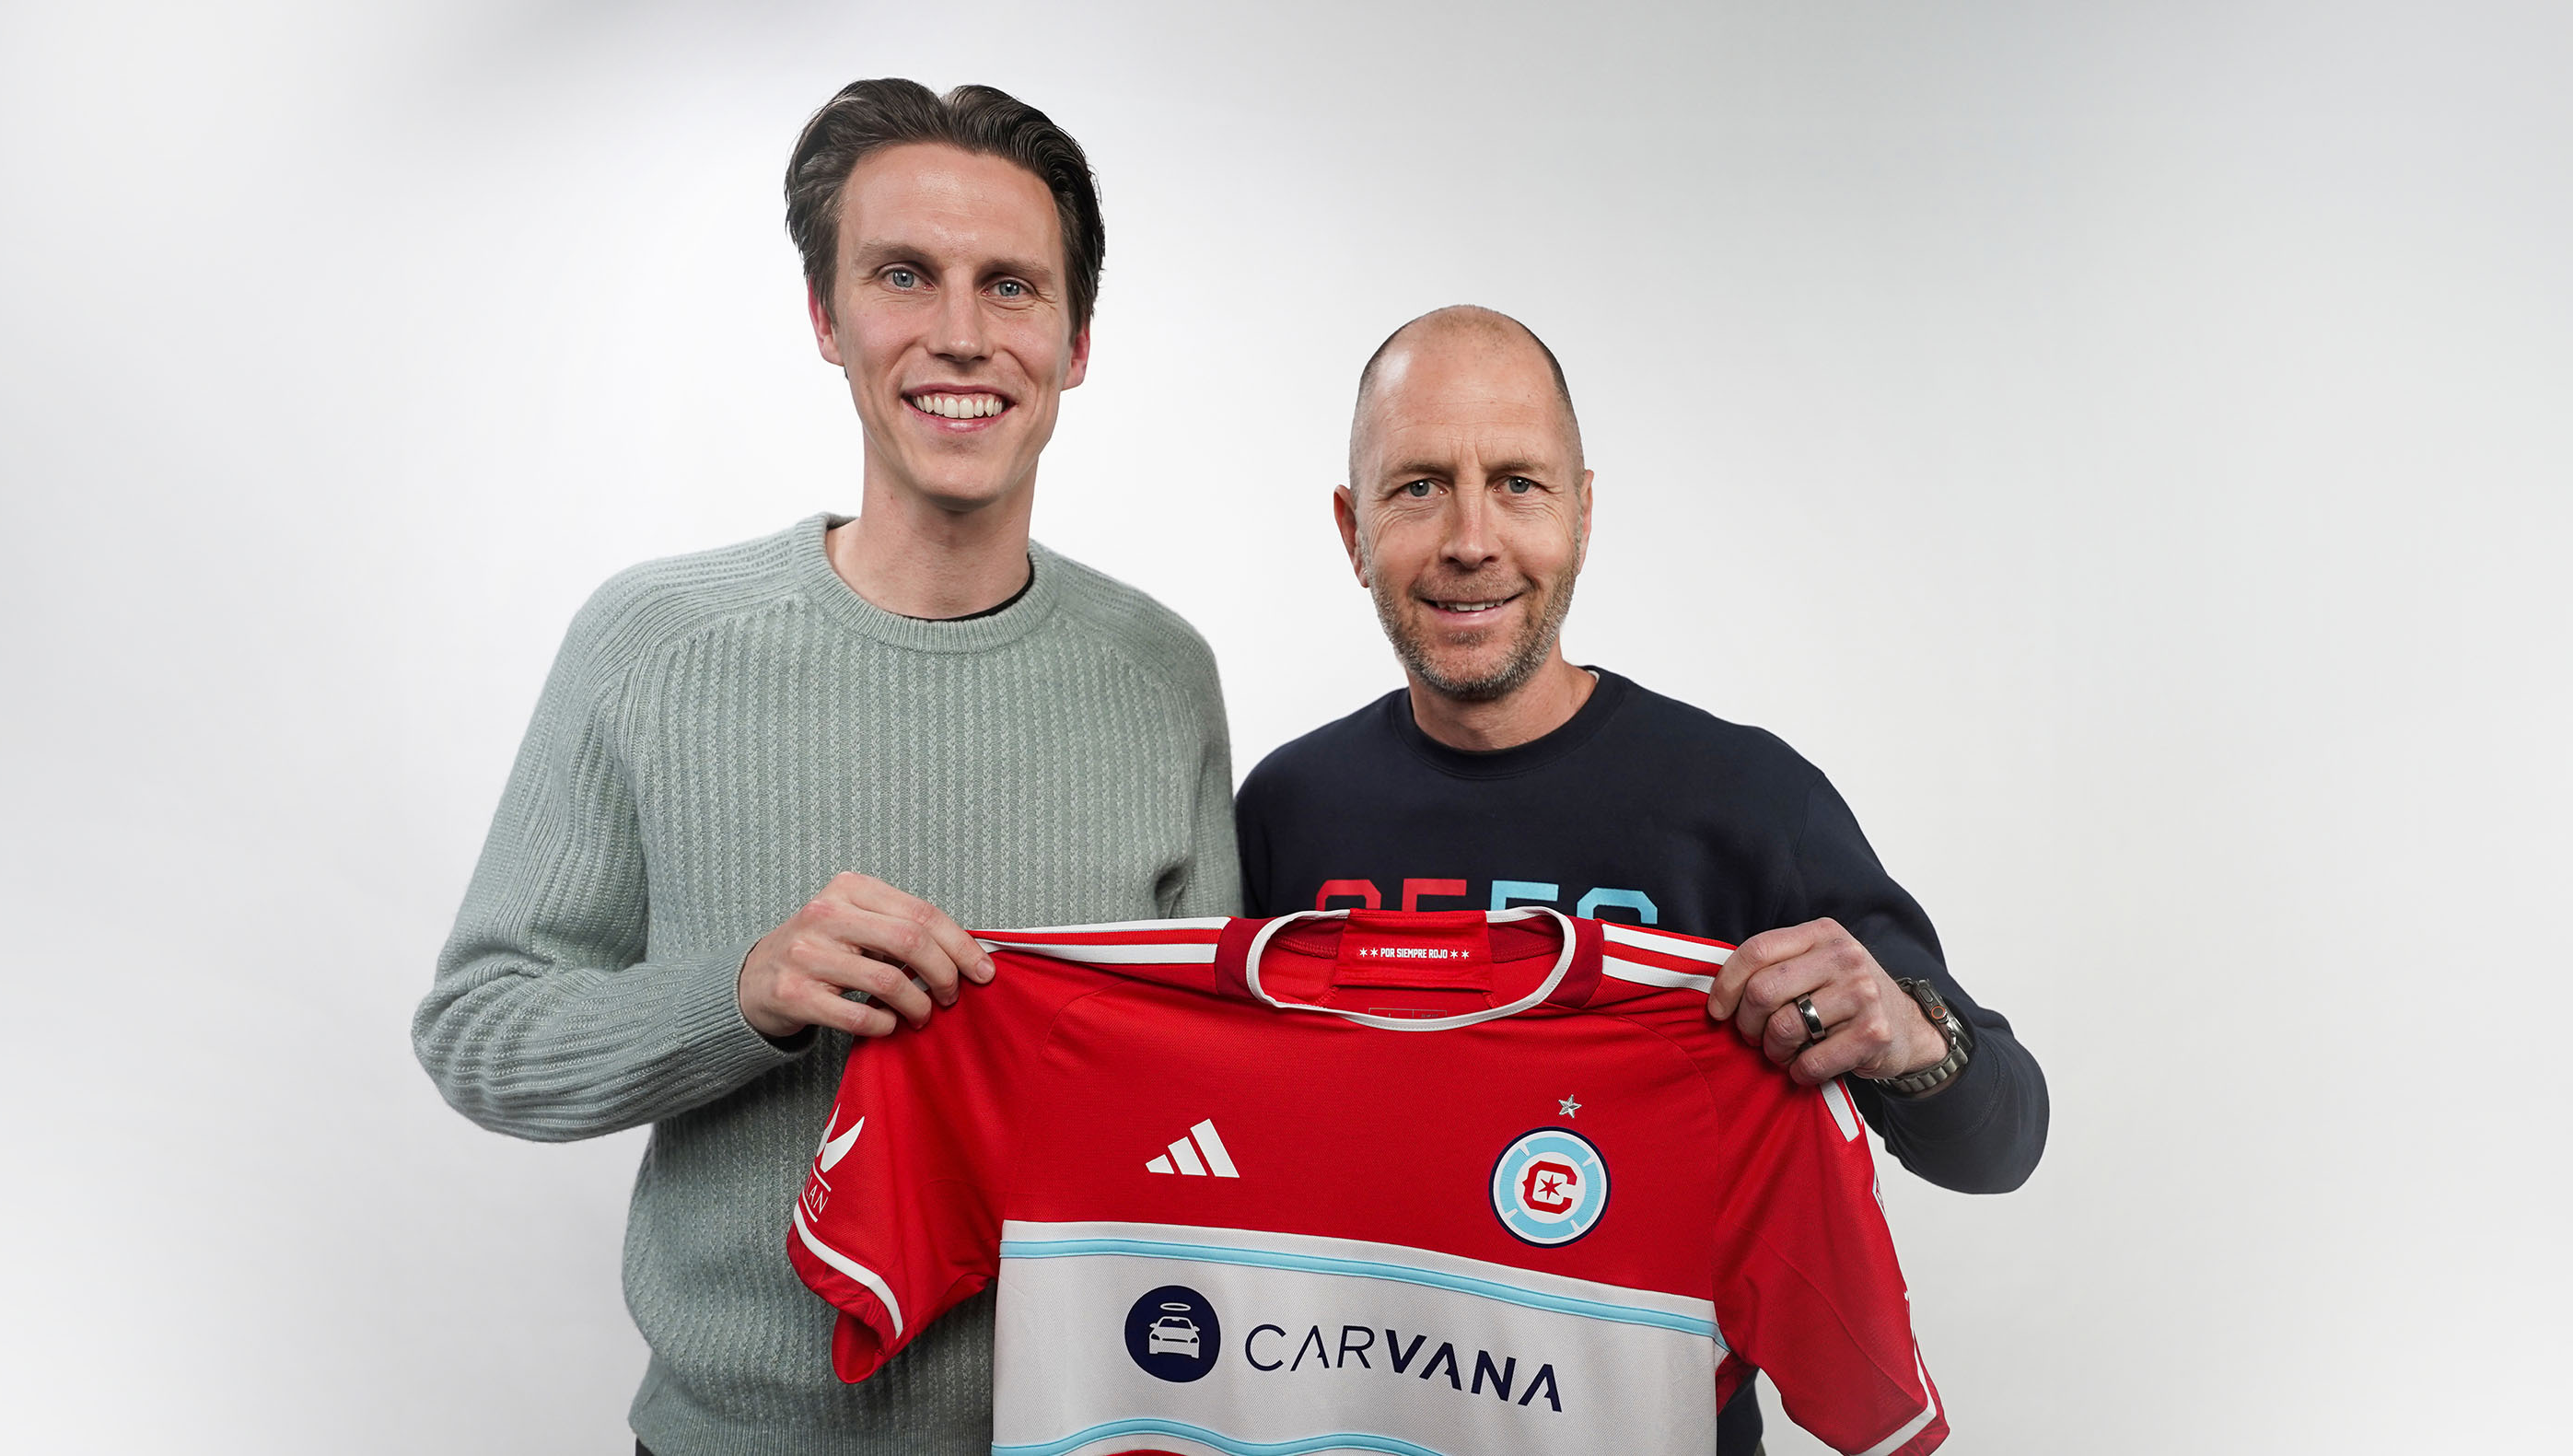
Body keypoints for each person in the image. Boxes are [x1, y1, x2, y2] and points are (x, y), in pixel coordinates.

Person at [413, 79, 1238, 1455]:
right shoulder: (652, 643)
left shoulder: (1163, 675)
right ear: (825, 317)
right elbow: (480, 1037)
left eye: (1013, 286)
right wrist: (742, 993)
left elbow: (1208, 1102)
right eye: (904, 276)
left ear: (1078, 340)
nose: (960, 335)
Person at [1233, 305, 2049, 1454]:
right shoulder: (1285, 809)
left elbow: (2001, 1141)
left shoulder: (1747, 799)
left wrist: (1910, 1035)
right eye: (1418, 487)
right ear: (1349, 528)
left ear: (1582, 511)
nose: (1472, 538)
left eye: (1518, 483)